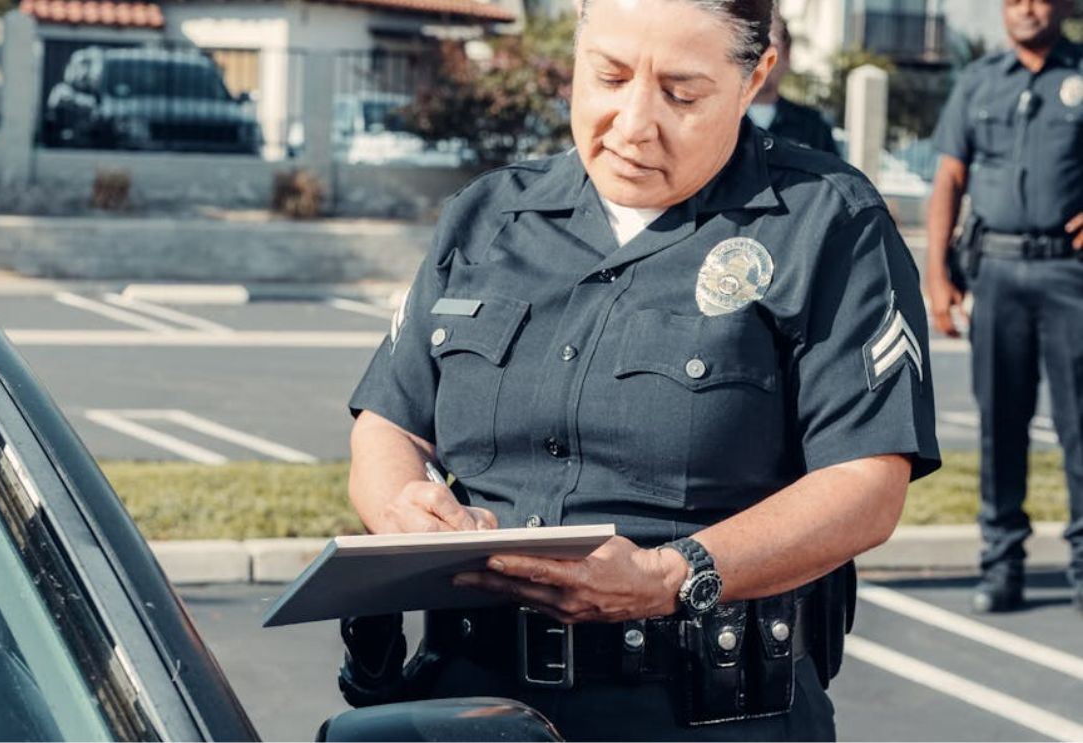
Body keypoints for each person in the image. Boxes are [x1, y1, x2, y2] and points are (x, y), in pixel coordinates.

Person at [346, 0, 940, 739]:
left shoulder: (825, 224)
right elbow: (388, 421)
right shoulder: (488, 216)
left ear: (753, 79)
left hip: (701, 709)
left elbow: (865, 484)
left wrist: (671, 575)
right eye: (609, 75)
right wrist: (402, 502)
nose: (632, 123)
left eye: (680, 94)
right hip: (468, 700)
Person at [927, 0, 1083, 615]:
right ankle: (1001, 565)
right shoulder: (979, 80)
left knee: (1080, 429)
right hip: (996, 275)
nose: (1023, 8)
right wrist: (936, 275)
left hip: (1070, 275)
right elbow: (948, 180)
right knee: (1000, 427)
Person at [746, 13, 839, 155]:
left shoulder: (813, 128)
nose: (761, 56)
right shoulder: (716, 121)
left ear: (787, 56)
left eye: (770, 45)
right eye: (754, 44)